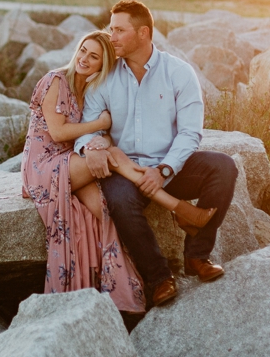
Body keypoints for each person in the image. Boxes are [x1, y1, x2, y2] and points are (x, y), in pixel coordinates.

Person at [21, 30, 217, 313]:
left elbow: (104, 135)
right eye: (83, 51)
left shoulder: (89, 88)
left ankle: (113, 288)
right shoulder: (55, 80)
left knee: (103, 212)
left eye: (94, 56)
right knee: (112, 156)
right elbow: (58, 131)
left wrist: (101, 138)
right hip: (43, 166)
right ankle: (179, 209)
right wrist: (100, 125)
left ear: (104, 64)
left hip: (70, 160)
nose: (85, 59)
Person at [75, 0, 238, 308]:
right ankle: (159, 278)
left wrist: (163, 170)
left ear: (143, 33)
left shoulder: (178, 73)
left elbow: (191, 133)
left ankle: (197, 256)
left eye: (120, 31)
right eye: (111, 30)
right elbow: (86, 127)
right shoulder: (105, 77)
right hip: (125, 169)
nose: (112, 37)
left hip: (169, 167)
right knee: (120, 200)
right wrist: (90, 148)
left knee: (224, 167)